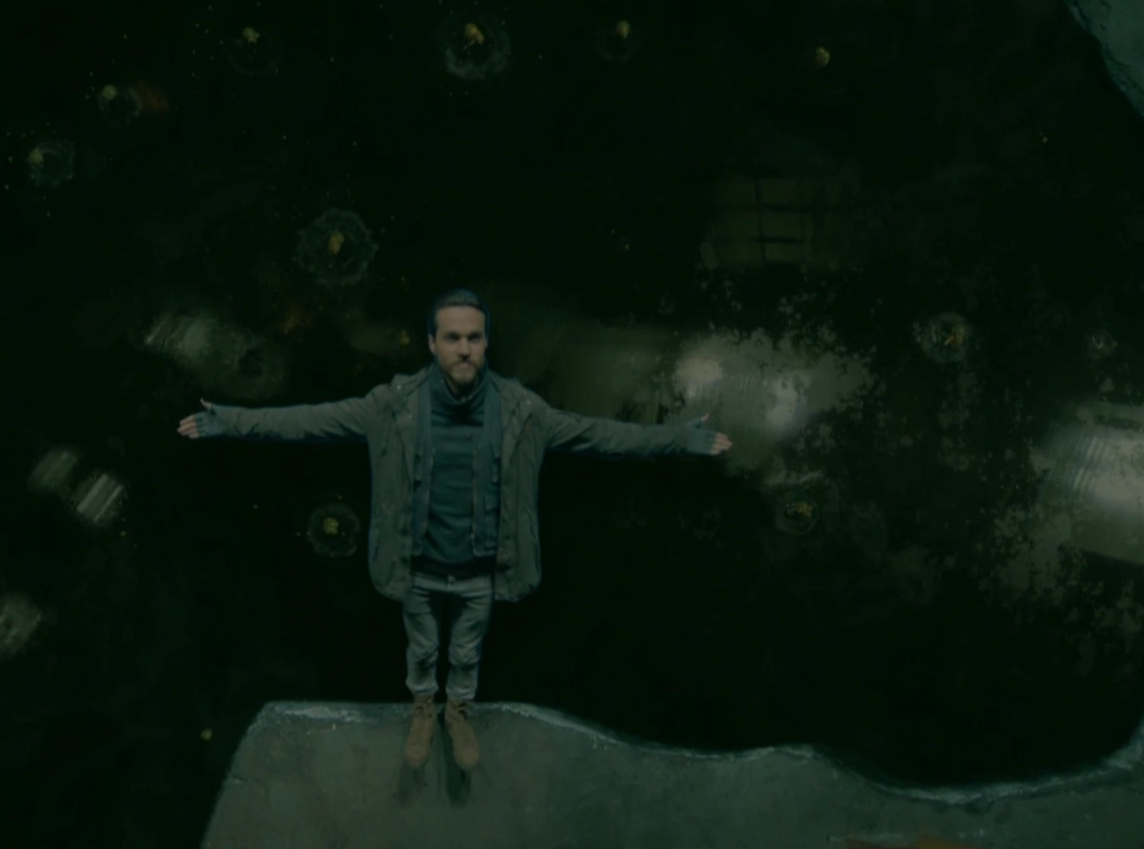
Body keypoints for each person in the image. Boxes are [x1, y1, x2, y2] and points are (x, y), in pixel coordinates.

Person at [177, 289, 733, 771]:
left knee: (466, 651)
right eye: (452, 337)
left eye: (473, 337)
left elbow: (602, 436)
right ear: (432, 343)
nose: (464, 348)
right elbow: (306, 422)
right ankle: (424, 710)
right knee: (422, 650)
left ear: (486, 343)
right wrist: (229, 420)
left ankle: (458, 712)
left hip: (481, 568)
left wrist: (679, 439)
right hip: (417, 565)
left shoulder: (522, 412)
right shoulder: (391, 407)